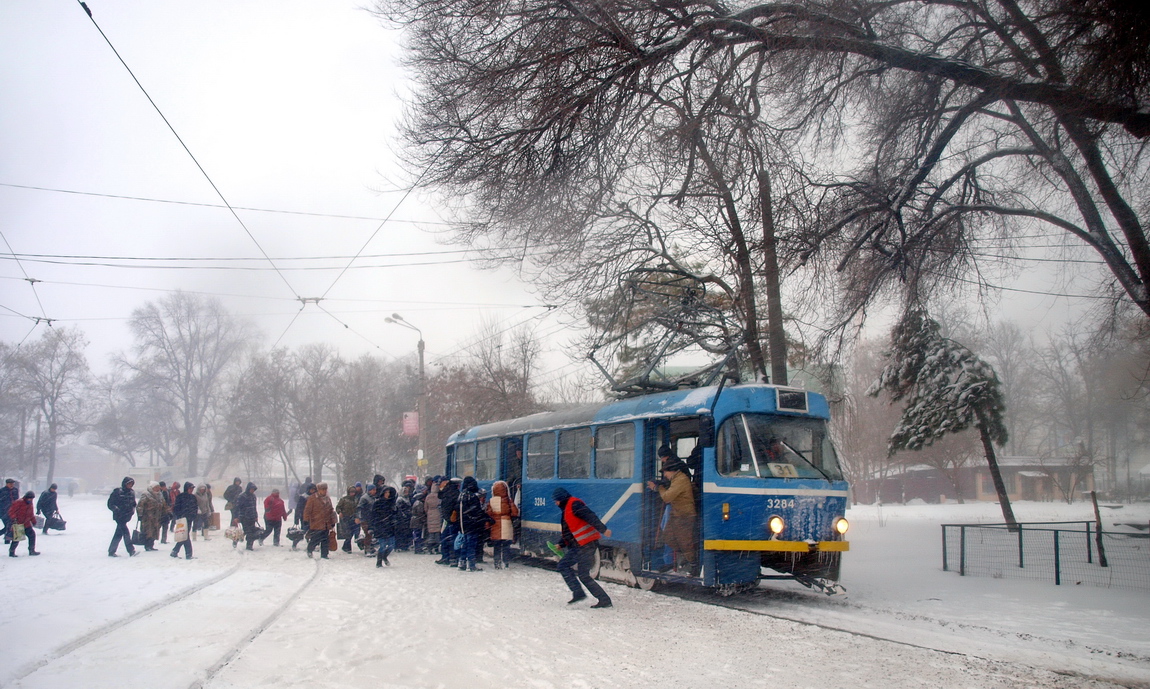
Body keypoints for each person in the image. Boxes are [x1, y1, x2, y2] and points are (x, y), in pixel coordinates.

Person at [552, 487, 612, 608]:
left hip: (587, 545)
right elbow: (569, 531)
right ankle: (579, 593)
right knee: (564, 566)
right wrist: (561, 544)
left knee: (583, 574)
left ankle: (603, 600)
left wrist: (603, 529)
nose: (555, 503)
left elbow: (591, 516)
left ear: (561, 499)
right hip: (578, 546)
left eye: (556, 500)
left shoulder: (574, 504)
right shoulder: (567, 508)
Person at [647, 457, 698, 574]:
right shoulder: (676, 479)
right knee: (668, 538)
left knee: (685, 542)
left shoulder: (680, 480)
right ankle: (681, 561)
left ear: (672, 471)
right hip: (677, 514)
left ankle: (692, 565)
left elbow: (667, 497)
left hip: (685, 515)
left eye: (665, 472)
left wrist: (657, 488)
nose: (664, 475)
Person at [457, 476, 490, 572]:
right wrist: (486, 519)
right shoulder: (472, 496)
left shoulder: (461, 496)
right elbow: (477, 511)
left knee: (465, 544)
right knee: (471, 544)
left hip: (463, 524)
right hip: (472, 524)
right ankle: (471, 564)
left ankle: (462, 562)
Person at [485, 480, 519, 569]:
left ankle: (497, 563)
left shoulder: (491, 501)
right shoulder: (508, 500)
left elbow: (488, 514)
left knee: (497, 546)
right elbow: (515, 513)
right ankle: (506, 562)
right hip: (506, 524)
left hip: (495, 526)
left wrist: (488, 525)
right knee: (506, 546)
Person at [303, 482, 336, 559]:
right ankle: (310, 550)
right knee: (315, 539)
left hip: (326, 523)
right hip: (316, 523)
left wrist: (333, 521)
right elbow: (307, 510)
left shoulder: (328, 499)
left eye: (325, 489)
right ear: (318, 490)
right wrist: (306, 519)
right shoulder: (312, 498)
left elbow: (331, 510)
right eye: (323, 489)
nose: (324, 491)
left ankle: (324, 554)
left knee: (325, 540)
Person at [107, 476, 138, 557]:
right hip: (119, 516)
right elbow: (110, 503)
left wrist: (132, 510)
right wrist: (116, 509)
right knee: (126, 533)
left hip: (126, 516)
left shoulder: (131, 492)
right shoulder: (117, 492)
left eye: (131, 484)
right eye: (129, 484)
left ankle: (111, 550)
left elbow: (133, 503)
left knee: (118, 534)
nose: (130, 485)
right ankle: (131, 550)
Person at [434, 477, 461, 566]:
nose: (439, 486)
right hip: (449, 519)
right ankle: (449, 557)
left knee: (448, 538)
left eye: (440, 483)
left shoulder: (450, 492)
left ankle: (449, 557)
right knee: (449, 538)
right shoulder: (450, 492)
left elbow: (453, 504)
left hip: (450, 519)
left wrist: (453, 513)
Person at [136, 481, 169, 551]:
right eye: (156, 487)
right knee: (148, 531)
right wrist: (140, 514)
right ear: (152, 488)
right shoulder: (146, 495)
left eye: (158, 487)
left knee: (155, 531)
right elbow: (140, 505)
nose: (157, 489)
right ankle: (147, 545)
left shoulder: (160, 495)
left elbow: (164, 505)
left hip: (157, 517)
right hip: (147, 517)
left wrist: (167, 512)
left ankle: (151, 545)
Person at [371, 485, 398, 567]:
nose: (388, 494)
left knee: (391, 545)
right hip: (380, 526)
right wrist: (373, 526)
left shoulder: (391, 503)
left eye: (389, 492)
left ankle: (384, 556)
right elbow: (373, 515)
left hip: (390, 527)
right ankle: (379, 562)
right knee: (382, 545)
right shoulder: (377, 503)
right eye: (386, 492)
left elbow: (395, 513)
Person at [170, 482, 198, 560]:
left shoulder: (193, 497)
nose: (191, 490)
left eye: (192, 489)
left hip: (189, 519)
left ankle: (175, 551)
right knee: (185, 536)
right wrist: (180, 516)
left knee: (184, 536)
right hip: (182, 520)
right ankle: (188, 554)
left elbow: (195, 507)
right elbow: (176, 508)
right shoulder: (180, 497)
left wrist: (194, 516)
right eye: (190, 488)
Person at [233, 482, 264, 551]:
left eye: (253, 489)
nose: (252, 491)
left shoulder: (253, 496)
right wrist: (236, 517)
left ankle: (237, 540)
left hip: (252, 517)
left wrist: (256, 516)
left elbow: (254, 507)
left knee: (249, 532)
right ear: (248, 489)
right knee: (249, 532)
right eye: (251, 489)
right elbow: (237, 507)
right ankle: (249, 546)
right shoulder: (242, 496)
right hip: (244, 517)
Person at [7, 490, 39, 557]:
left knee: (32, 536)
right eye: (29, 498)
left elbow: (31, 514)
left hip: (27, 523)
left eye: (32, 499)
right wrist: (14, 518)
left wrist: (33, 521)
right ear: (26, 497)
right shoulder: (18, 502)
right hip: (18, 523)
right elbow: (11, 511)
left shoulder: (30, 504)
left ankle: (31, 550)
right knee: (17, 538)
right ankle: (11, 552)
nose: (30, 500)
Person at [336, 485, 359, 554]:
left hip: (354, 518)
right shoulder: (344, 499)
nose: (352, 493)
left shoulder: (356, 499)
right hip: (346, 518)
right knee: (348, 533)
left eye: (354, 492)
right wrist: (340, 512)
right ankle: (347, 547)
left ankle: (346, 546)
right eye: (351, 492)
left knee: (353, 532)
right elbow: (338, 507)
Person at [356, 483, 378, 556]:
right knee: (368, 534)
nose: (375, 491)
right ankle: (367, 549)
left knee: (371, 534)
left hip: (371, 519)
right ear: (369, 490)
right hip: (365, 519)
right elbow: (359, 508)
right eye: (373, 490)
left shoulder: (373, 497)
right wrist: (360, 518)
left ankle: (369, 547)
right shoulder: (364, 498)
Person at [423, 477, 441, 555]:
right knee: (437, 532)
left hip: (430, 515)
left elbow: (425, 507)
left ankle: (430, 548)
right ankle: (436, 548)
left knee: (431, 533)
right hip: (438, 514)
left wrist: (428, 513)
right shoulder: (439, 496)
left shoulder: (428, 496)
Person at [1, 478, 19, 544]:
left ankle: (7, 539)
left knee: (9, 526)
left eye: (13, 484)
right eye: (10, 484)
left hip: (13, 511)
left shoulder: (15, 490)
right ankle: (7, 539)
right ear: (7, 484)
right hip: (4, 511)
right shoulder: (2, 491)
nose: (12, 485)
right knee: (8, 526)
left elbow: (17, 500)